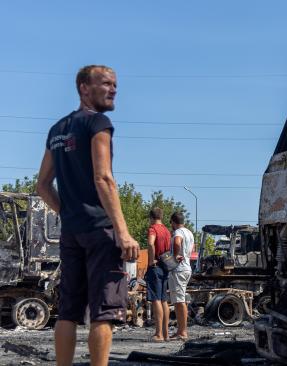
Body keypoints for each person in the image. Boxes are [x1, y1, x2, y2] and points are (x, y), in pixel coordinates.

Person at [36, 65, 140, 366]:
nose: (113, 89)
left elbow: (42, 185)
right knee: (103, 311)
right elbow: (103, 178)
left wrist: (67, 213)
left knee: (67, 311)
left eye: (115, 84)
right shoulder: (98, 123)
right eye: (105, 83)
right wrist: (122, 231)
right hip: (100, 231)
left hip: (72, 231)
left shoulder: (57, 130)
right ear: (84, 88)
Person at [145, 207, 172, 342]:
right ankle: (166, 334)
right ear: (161, 217)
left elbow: (150, 243)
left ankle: (159, 334)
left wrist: (151, 261)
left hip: (155, 267)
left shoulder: (153, 229)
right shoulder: (167, 231)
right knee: (164, 300)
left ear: (151, 217)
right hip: (165, 266)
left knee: (155, 299)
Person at [168, 212, 194, 340]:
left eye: (171, 223)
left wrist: (175, 256)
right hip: (187, 267)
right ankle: (180, 330)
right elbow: (191, 249)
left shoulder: (178, 232)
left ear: (173, 222)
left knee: (179, 301)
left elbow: (177, 242)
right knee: (180, 300)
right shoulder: (189, 233)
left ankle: (182, 332)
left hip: (179, 269)